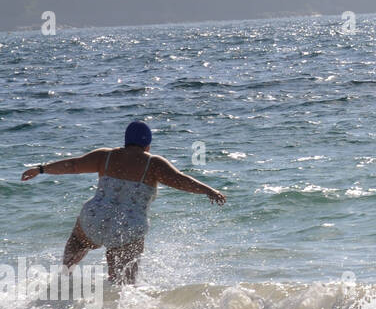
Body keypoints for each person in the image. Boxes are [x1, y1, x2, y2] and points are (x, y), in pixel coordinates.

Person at [20, 120, 225, 284]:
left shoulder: (106, 156)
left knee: (74, 253)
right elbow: (181, 181)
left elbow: (73, 165)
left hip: (94, 219)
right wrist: (209, 190)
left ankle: (60, 285)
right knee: (122, 285)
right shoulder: (153, 163)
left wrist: (40, 169)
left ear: (126, 141)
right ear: (148, 144)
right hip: (128, 228)